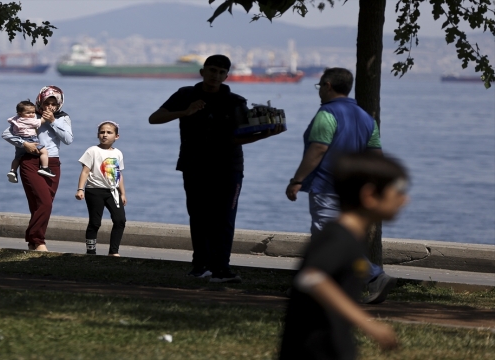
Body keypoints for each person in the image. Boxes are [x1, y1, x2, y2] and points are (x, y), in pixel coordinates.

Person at [149, 54, 284, 283]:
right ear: (202, 72)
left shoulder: (235, 101)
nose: (216, 76)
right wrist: (185, 112)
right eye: (212, 70)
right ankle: (200, 266)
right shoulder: (186, 95)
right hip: (193, 165)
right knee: (198, 216)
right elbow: (155, 118)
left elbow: (237, 139)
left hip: (229, 168)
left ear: (226, 76)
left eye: (221, 72)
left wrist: (266, 132)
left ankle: (221, 269)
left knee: (224, 218)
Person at [285, 67, 396, 304]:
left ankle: (373, 276)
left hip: (326, 185)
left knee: (330, 239)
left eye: (320, 87)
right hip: (353, 189)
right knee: (328, 238)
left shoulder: (326, 114)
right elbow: (375, 155)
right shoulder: (366, 118)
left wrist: (297, 180)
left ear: (327, 86)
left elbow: (318, 149)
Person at [279, 152, 406, 359]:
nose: (405, 199)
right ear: (370, 195)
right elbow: (312, 277)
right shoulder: (339, 238)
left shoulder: (349, 238)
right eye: (399, 190)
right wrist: (367, 324)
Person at [2, 86, 73, 251]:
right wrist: (24, 144)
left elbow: (68, 139)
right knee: (44, 202)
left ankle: (33, 242)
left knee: (40, 205)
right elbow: (7, 133)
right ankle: (39, 240)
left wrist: (53, 122)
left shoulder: (63, 118)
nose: (49, 107)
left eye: (53, 104)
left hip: (52, 162)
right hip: (30, 161)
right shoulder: (29, 115)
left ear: (58, 105)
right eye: (47, 103)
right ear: (40, 101)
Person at [75, 121, 127, 256]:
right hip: (94, 190)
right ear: (98, 135)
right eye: (102, 132)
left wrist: (122, 193)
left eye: (109, 132)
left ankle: (113, 252)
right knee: (95, 222)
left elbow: (118, 174)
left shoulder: (118, 153)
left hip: (113, 192)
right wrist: (80, 189)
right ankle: (91, 251)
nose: (105, 135)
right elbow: (85, 171)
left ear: (116, 136)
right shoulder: (92, 151)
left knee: (120, 220)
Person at [6, 100, 55, 183]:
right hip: (31, 140)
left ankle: (13, 171)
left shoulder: (16, 119)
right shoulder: (29, 120)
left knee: (17, 158)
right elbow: (41, 121)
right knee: (44, 152)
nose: (32, 115)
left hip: (20, 142)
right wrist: (48, 113)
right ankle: (44, 168)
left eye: (33, 112)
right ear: (20, 114)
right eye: (28, 113)